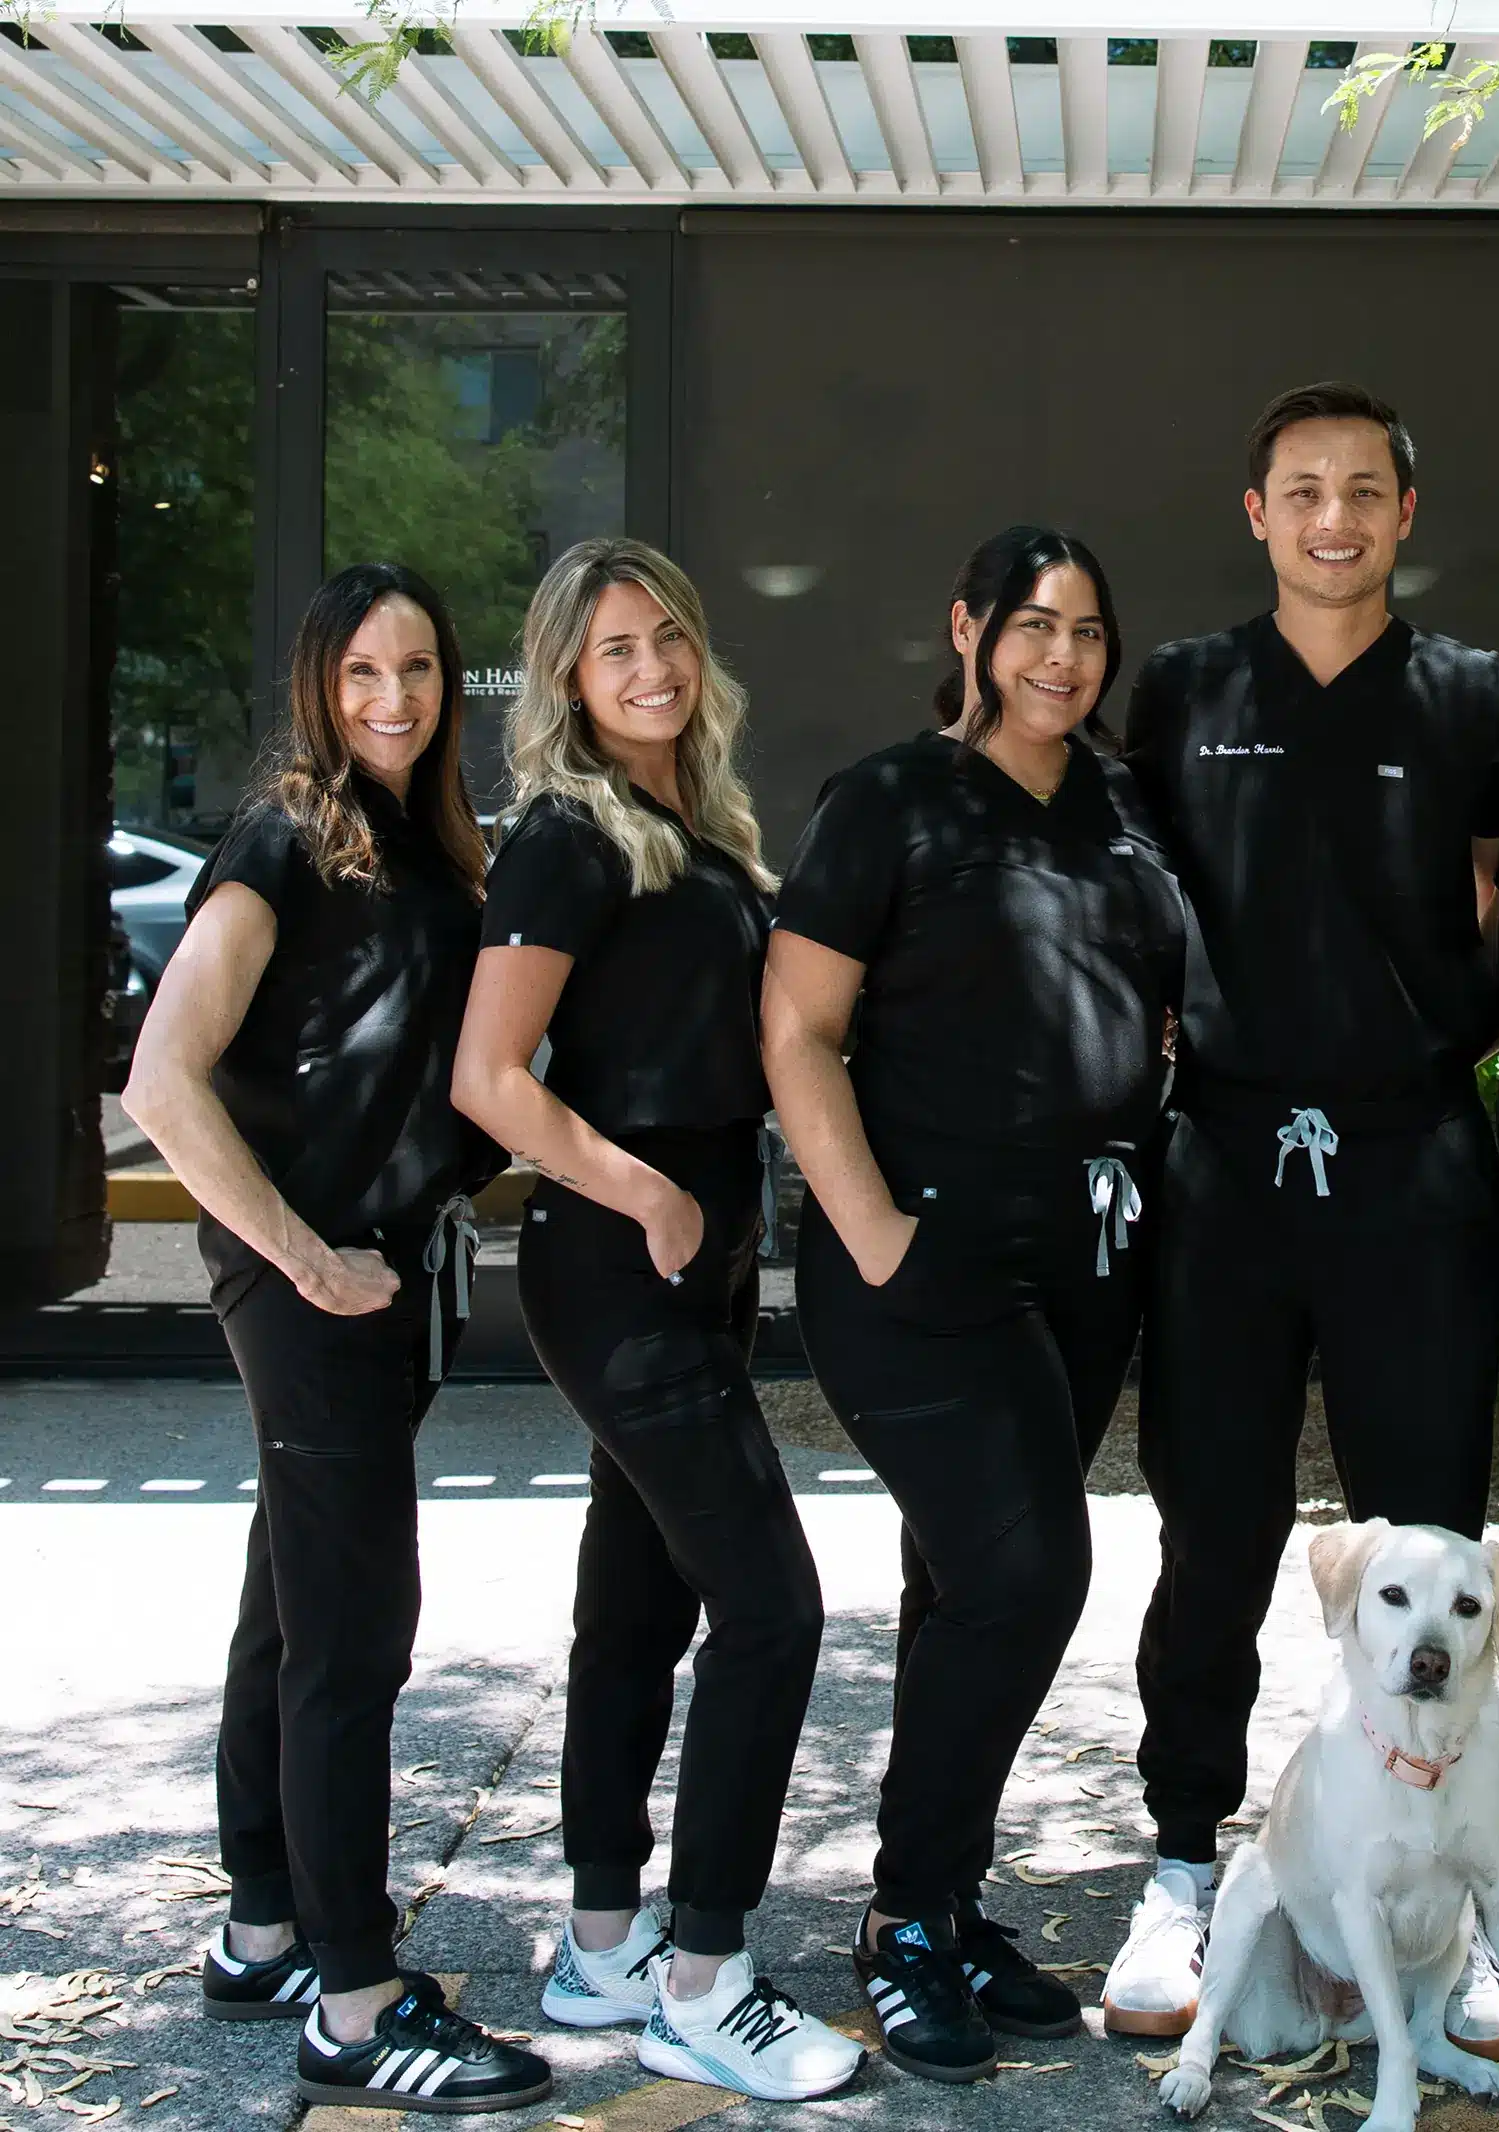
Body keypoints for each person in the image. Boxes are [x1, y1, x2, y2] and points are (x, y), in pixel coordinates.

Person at [1105, 382, 1499, 2058]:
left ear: (1407, 513)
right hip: (1226, 1168)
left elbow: (1498, 896)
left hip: (1414, 1164)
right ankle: (1179, 1858)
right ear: (1257, 510)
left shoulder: (1472, 695)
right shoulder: (1191, 690)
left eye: (1366, 489)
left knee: (1428, 1555)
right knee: (1209, 1531)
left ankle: (1448, 1912)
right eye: (1305, 489)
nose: (1336, 516)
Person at [122, 563, 552, 2114]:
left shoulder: (437, 851)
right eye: (363, 671)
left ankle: (262, 1931)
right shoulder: (282, 843)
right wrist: (302, 1256)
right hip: (310, 1283)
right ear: (318, 683)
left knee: (290, 1602)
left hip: (384, 1280)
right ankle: (359, 2005)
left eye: (422, 670)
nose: (394, 697)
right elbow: (166, 1080)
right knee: (355, 1639)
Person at [764, 526, 1186, 2083]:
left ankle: (944, 1893)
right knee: (1026, 1577)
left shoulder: (1121, 803)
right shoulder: (886, 801)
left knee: (961, 1588)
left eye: (1087, 630)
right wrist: (873, 1234)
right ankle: (904, 1920)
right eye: (1032, 626)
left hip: (1085, 1263)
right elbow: (797, 1029)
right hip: (923, 1265)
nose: (1062, 657)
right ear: (966, 630)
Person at [451, 538, 861, 2105]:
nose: (651, 669)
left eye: (668, 639)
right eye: (614, 648)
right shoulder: (567, 836)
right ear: (566, 674)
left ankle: (604, 1941)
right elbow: (489, 1078)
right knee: (774, 1607)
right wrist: (649, 1196)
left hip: (684, 1261)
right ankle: (704, 1976)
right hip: (621, 1261)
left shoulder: (698, 825)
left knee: (637, 1613)